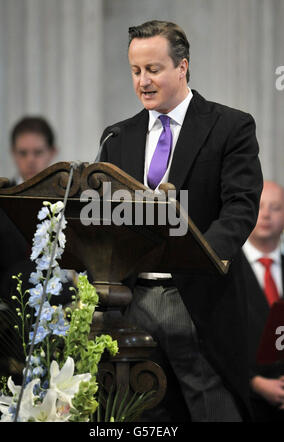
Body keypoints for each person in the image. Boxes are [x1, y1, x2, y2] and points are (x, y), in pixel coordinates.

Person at [99, 20, 263, 421]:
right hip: (132, 302)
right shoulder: (116, 137)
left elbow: (240, 207)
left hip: (199, 298)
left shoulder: (230, 126)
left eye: (153, 69)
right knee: (139, 419)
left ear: (182, 67)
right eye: (136, 71)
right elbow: (105, 216)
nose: (143, 82)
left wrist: (199, 254)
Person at [0, 116, 57, 303]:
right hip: (6, 308)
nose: (30, 160)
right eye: (23, 153)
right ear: (13, 154)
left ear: (52, 152)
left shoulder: (67, 201)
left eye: (38, 152)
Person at [242, 180, 284, 421]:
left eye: (276, 207)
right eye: (261, 206)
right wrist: (254, 382)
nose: (267, 214)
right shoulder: (226, 272)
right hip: (243, 404)